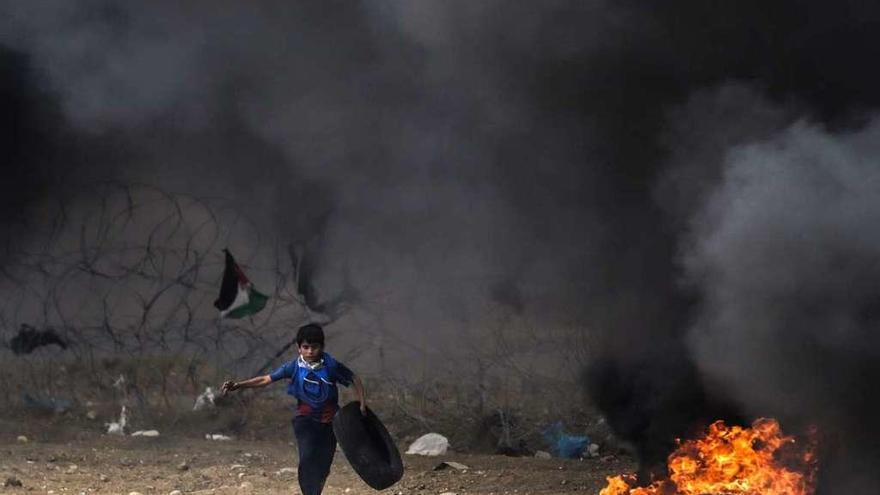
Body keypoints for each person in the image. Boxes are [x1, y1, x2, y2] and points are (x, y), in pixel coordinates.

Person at [221, 323, 366, 495]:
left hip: (330, 422)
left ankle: (315, 489)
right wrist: (238, 385)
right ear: (299, 348)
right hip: (305, 420)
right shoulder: (294, 366)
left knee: (323, 464)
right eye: (306, 347)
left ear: (321, 347)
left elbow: (354, 379)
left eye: (314, 347)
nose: (310, 351)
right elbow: (266, 379)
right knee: (307, 457)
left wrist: (362, 404)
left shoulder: (331, 366)